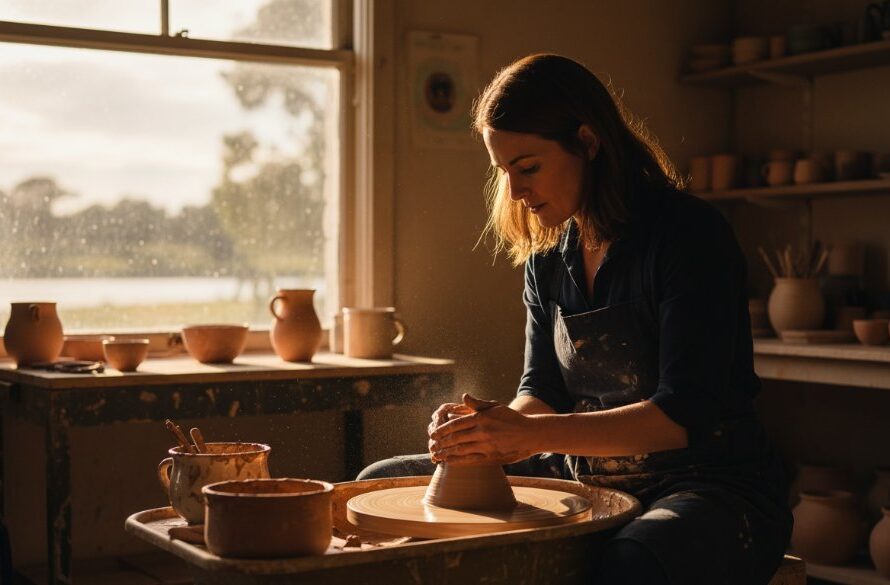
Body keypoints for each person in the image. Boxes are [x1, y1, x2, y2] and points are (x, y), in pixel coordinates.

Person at [357, 54, 792, 584]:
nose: (515, 192)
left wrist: (529, 435)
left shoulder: (688, 235)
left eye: (529, 167)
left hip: (709, 484)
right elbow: (541, 388)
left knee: (634, 559)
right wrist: (489, 430)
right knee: (379, 482)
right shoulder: (549, 254)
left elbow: (682, 416)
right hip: (584, 472)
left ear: (588, 142)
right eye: (504, 172)